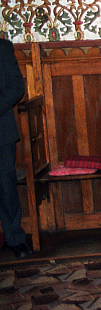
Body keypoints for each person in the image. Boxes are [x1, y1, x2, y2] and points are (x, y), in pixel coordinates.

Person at [0, 38, 32, 258]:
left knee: (5, 187)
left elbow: (16, 87)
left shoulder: (2, 48)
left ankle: (15, 238)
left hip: (1, 130)